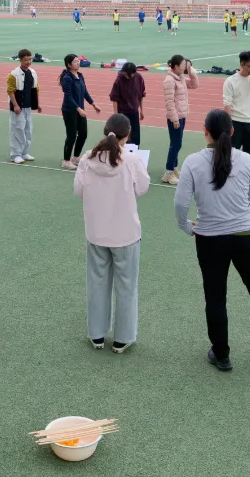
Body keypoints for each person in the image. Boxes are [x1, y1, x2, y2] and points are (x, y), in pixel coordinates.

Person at [174, 109, 250, 370]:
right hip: (245, 236)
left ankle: (221, 354)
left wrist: (186, 226)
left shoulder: (193, 162)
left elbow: (181, 204)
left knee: (215, 297)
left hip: (209, 239)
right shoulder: (247, 160)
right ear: (233, 131)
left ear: (205, 132)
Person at [74, 114, 149, 353]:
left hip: (97, 231)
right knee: (126, 285)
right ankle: (123, 337)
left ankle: (97, 334)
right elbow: (143, 188)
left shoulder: (88, 158)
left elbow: (78, 191)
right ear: (127, 135)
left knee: (97, 283)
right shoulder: (132, 160)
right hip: (125, 233)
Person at [222, 51, 250, 161]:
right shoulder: (230, 81)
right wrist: (229, 125)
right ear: (242, 64)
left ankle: (247, 178)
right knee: (231, 156)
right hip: (235, 122)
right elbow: (227, 104)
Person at [60, 53, 101, 170]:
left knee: (83, 134)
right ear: (69, 65)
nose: (78, 63)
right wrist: (78, 109)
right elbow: (68, 96)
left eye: (78, 61)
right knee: (71, 135)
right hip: (70, 110)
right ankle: (66, 160)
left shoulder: (80, 75)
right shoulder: (67, 78)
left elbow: (85, 92)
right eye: (75, 62)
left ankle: (76, 157)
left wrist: (93, 104)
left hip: (80, 110)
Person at [162, 54, 198, 184]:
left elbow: (194, 85)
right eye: (183, 65)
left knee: (177, 143)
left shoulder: (181, 77)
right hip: (175, 118)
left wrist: (191, 72)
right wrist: (175, 119)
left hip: (182, 115)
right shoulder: (169, 81)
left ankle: (174, 167)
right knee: (175, 144)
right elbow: (169, 102)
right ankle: (168, 172)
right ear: (176, 66)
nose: (185, 67)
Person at [7, 48, 41, 164]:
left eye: (30, 59)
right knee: (17, 129)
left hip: (28, 106)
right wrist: (15, 105)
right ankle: (15, 154)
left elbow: (36, 89)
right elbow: (10, 91)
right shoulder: (13, 75)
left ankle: (25, 152)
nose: (29, 62)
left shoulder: (33, 73)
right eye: (26, 60)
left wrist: (38, 104)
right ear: (21, 60)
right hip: (18, 107)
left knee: (28, 130)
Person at [109, 62, 146, 146]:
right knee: (123, 137)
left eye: (126, 74)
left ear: (133, 74)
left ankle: (135, 152)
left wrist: (141, 110)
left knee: (136, 137)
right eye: (123, 73)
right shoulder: (118, 81)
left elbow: (141, 95)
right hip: (123, 113)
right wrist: (116, 115)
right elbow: (114, 98)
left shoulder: (139, 78)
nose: (124, 75)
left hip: (134, 111)